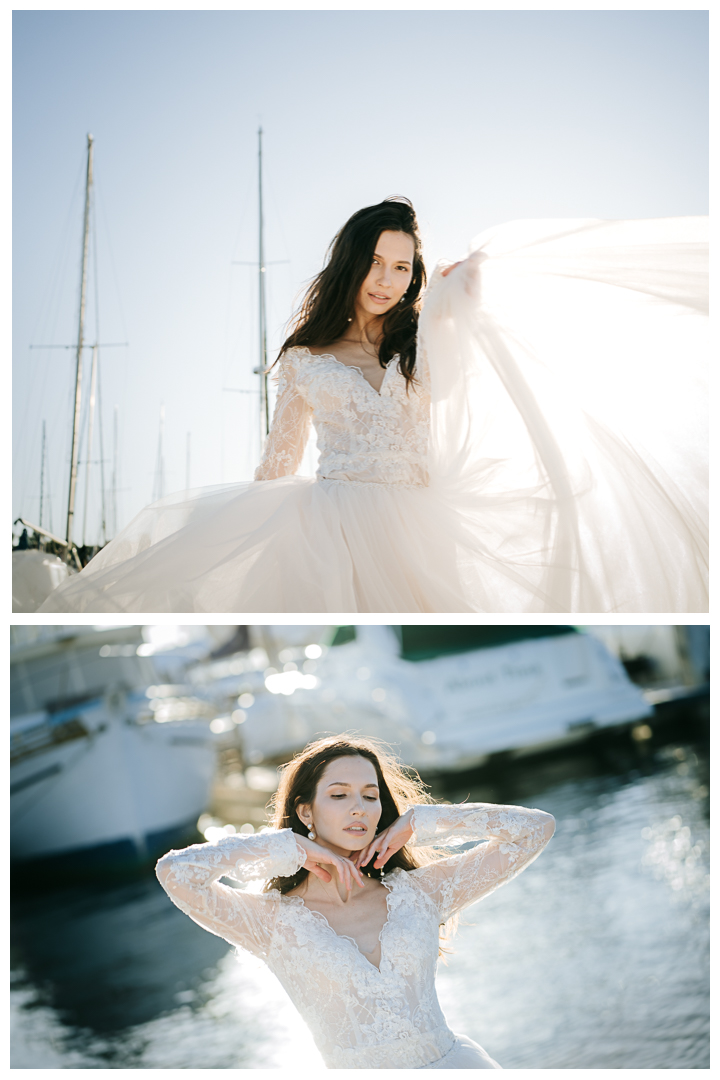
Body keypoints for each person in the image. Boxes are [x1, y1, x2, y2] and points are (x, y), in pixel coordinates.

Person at [39, 198, 708, 613]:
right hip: (329, 527)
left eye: (402, 267)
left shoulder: (428, 337)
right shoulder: (304, 356)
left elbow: (472, 385)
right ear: (352, 261)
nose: (387, 281)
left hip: (423, 524)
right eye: (377, 263)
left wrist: (460, 290)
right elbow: (278, 464)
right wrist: (242, 545)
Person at [155, 735, 556, 1069]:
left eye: (370, 795)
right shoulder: (270, 922)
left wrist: (421, 823)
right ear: (305, 810)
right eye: (339, 794)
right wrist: (286, 846)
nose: (358, 807)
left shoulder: (420, 892)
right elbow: (175, 874)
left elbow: (536, 829)